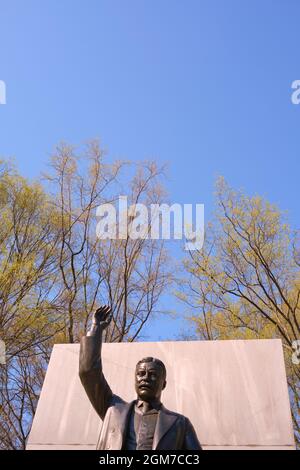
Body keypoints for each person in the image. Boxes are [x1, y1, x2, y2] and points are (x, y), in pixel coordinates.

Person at [79, 305, 202, 450]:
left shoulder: (179, 424)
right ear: (135, 379)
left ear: (163, 384)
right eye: (141, 374)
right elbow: (88, 372)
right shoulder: (113, 409)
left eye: (153, 375)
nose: (145, 378)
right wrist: (96, 329)